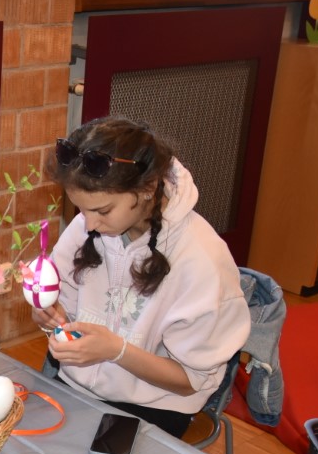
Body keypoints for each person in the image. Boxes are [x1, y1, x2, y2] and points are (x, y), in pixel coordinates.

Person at [34, 116, 250, 437]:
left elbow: (190, 381)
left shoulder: (201, 259)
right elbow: (65, 312)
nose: (88, 224)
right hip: (76, 385)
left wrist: (117, 351)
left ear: (147, 189)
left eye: (103, 211)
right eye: (81, 209)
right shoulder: (88, 227)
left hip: (155, 405)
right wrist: (51, 315)